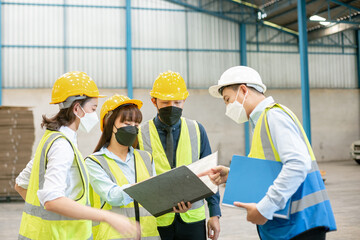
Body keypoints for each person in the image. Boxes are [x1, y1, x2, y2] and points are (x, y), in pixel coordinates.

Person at [207, 66, 337, 240]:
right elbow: (270, 170)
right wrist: (232, 175)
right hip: (289, 225)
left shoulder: (274, 116)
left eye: (228, 99)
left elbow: (298, 163)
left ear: (244, 90)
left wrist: (264, 208)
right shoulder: (261, 121)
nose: (227, 107)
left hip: (300, 225)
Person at [15, 71, 139, 240]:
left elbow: (21, 184)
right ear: (77, 108)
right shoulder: (62, 146)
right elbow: (51, 200)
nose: (94, 115)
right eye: (93, 108)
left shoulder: (51, 139)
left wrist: (50, 216)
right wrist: (107, 216)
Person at [137, 70, 221, 240]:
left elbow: (211, 173)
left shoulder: (197, 130)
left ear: (185, 100)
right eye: (166, 102)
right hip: (157, 221)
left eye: (177, 102)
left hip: (193, 220)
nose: (172, 107)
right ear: (154, 101)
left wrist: (214, 214)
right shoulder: (140, 134)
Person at [85, 94, 160, 240]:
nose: (133, 128)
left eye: (136, 124)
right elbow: (113, 196)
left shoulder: (146, 158)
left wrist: (176, 205)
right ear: (109, 123)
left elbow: (156, 197)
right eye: (127, 123)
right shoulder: (95, 162)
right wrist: (144, 187)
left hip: (148, 236)